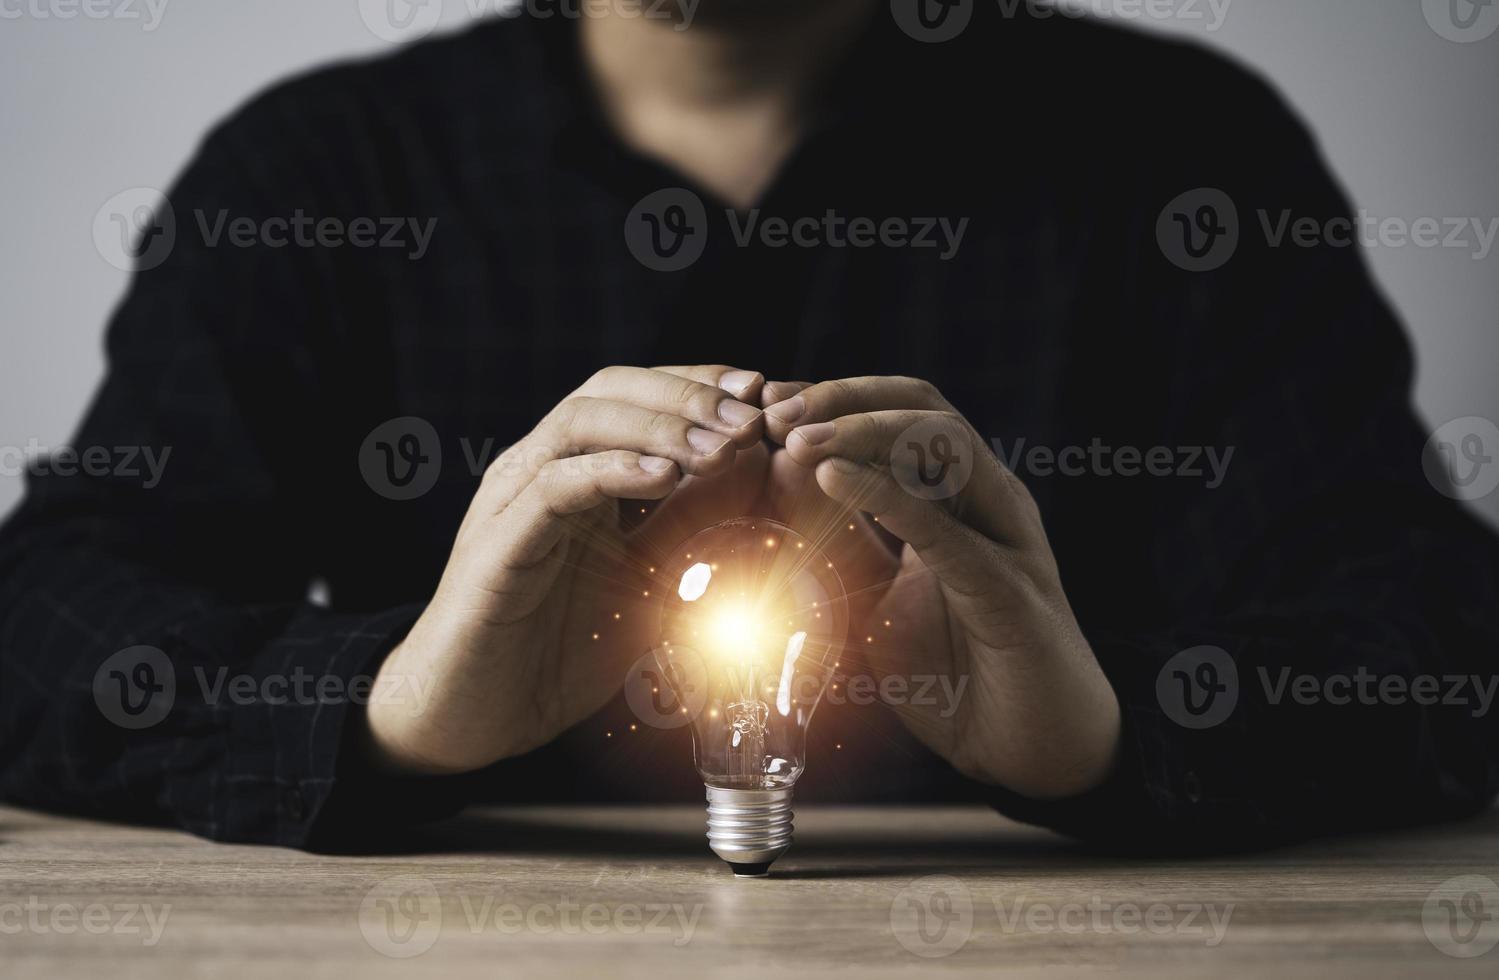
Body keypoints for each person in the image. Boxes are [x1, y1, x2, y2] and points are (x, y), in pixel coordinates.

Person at [2, 0, 1497, 853]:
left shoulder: (1183, 159)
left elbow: (1433, 634)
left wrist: (1104, 733)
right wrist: (391, 706)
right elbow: (42, 615)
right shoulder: (317, 176)